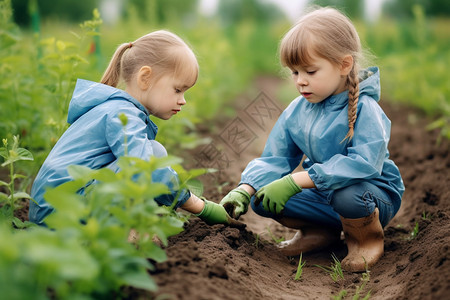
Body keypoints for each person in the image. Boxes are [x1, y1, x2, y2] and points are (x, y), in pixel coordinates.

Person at [220, 7, 404, 272]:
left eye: (310, 71)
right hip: (327, 193)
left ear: (344, 64)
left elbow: (364, 164)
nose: (300, 82)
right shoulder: (297, 110)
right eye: (295, 73)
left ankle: (365, 240)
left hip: (370, 196)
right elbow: (277, 158)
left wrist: (296, 180)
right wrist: (246, 189)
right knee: (264, 197)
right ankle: (319, 234)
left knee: (347, 194)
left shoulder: (365, 108)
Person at [30, 30, 236, 227]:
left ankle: (132, 224)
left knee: (153, 152)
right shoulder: (122, 114)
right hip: (59, 213)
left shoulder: (116, 108)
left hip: (55, 206)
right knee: (150, 161)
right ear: (145, 78)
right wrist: (201, 207)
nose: (182, 101)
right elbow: (141, 166)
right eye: (177, 90)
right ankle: (127, 231)